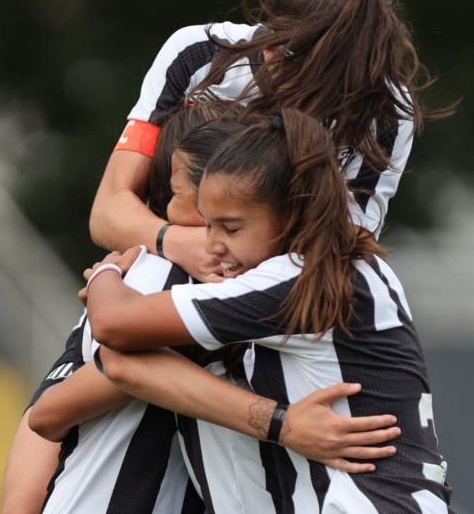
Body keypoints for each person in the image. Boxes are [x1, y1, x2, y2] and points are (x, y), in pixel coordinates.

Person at [3, 105, 402, 514]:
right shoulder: (163, 279)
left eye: (174, 196)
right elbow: (53, 411)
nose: (166, 213)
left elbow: (51, 412)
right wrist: (280, 423)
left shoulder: (247, 286)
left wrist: (104, 275)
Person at [87, 109, 454, 513]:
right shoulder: (358, 268)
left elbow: (112, 325)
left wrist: (106, 272)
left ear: (290, 213)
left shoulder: (294, 279)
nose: (211, 246)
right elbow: (123, 362)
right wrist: (281, 422)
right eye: (208, 225)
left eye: (231, 227)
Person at [90, 0, 444, 281]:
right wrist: (180, 244)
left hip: (269, 299)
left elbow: (340, 254)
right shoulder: (196, 51)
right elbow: (107, 210)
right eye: (323, 86)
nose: (333, 105)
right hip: (160, 265)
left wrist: (229, 251)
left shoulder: (385, 108)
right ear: (273, 49)